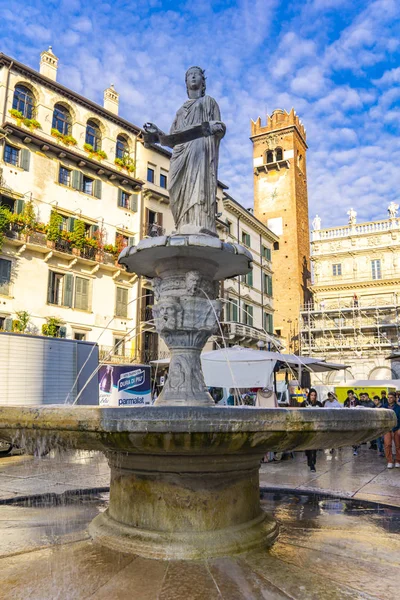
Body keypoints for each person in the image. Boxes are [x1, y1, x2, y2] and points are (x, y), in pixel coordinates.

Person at [301, 388, 322, 472]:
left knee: (314, 447)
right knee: (309, 447)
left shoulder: (319, 404)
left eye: (314, 395)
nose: (313, 397)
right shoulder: (304, 404)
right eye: (311, 395)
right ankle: (311, 462)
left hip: (316, 427)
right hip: (307, 428)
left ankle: (312, 462)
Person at [383, 392, 400, 469]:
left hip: (396, 428)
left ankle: (398, 461)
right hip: (387, 429)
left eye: (391, 397)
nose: (389, 399)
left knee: (398, 445)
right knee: (387, 444)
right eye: (388, 397)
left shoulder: (398, 408)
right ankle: (389, 461)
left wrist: (397, 428)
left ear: (394, 398)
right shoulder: (384, 407)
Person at [344, 390, 361, 455]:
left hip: (357, 419)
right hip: (350, 419)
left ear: (353, 394)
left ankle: (356, 447)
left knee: (356, 434)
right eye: (348, 395)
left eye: (350, 395)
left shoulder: (357, 401)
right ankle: (354, 446)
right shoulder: (346, 401)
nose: (349, 396)